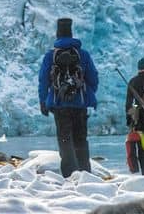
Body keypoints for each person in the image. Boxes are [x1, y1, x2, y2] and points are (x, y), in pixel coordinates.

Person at [37, 17, 99, 177]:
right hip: (80, 105)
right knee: (81, 139)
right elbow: (93, 78)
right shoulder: (83, 55)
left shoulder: (51, 56)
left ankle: (70, 175)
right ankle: (85, 174)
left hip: (60, 104)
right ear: (71, 33)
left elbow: (43, 79)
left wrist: (43, 101)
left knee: (65, 140)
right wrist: (85, 94)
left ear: (57, 34)